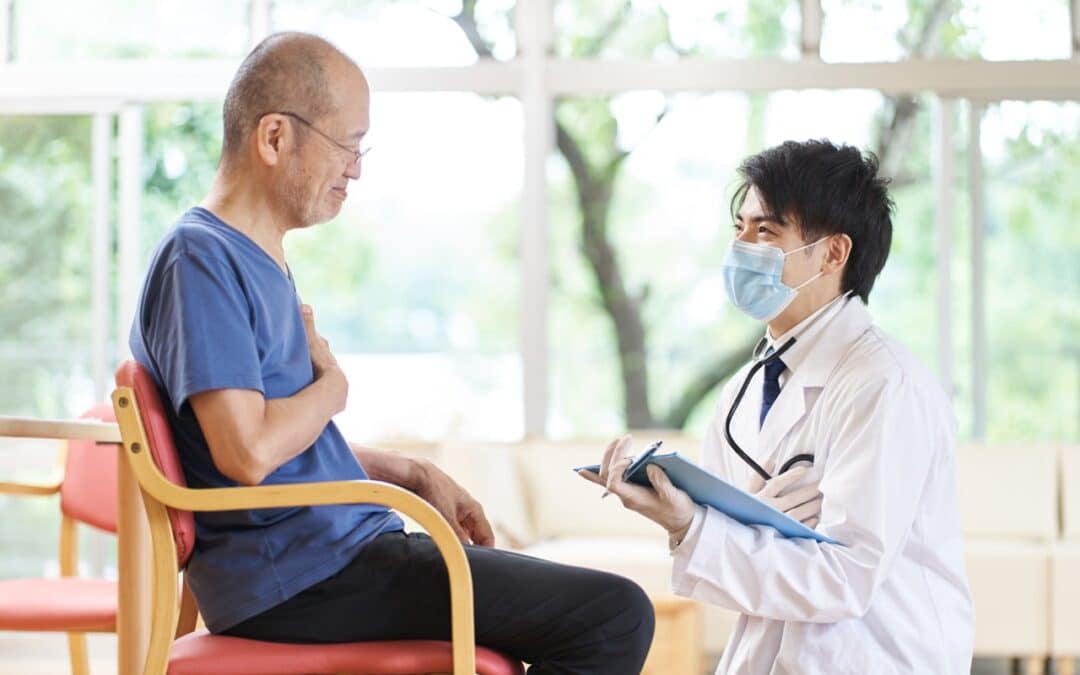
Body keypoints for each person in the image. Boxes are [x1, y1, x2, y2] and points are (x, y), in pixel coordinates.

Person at [129, 31, 653, 673]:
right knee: (613, 615)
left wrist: (405, 470)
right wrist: (332, 389)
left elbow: (280, 453)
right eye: (347, 145)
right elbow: (247, 453)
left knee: (576, 615)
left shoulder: (257, 259)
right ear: (274, 138)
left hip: (336, 557)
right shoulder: (201, 259)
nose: (356, 168)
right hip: (304, 579)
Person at [580, 140, 974, 674]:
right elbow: (734, 551)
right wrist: (687, 522)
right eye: (739, 228)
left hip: (875, 658)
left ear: (834, 253)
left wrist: (705, 529)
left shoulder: (884, 385)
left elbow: (844, 577)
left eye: (766, 231)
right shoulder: (746, 387)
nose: (741, 245)